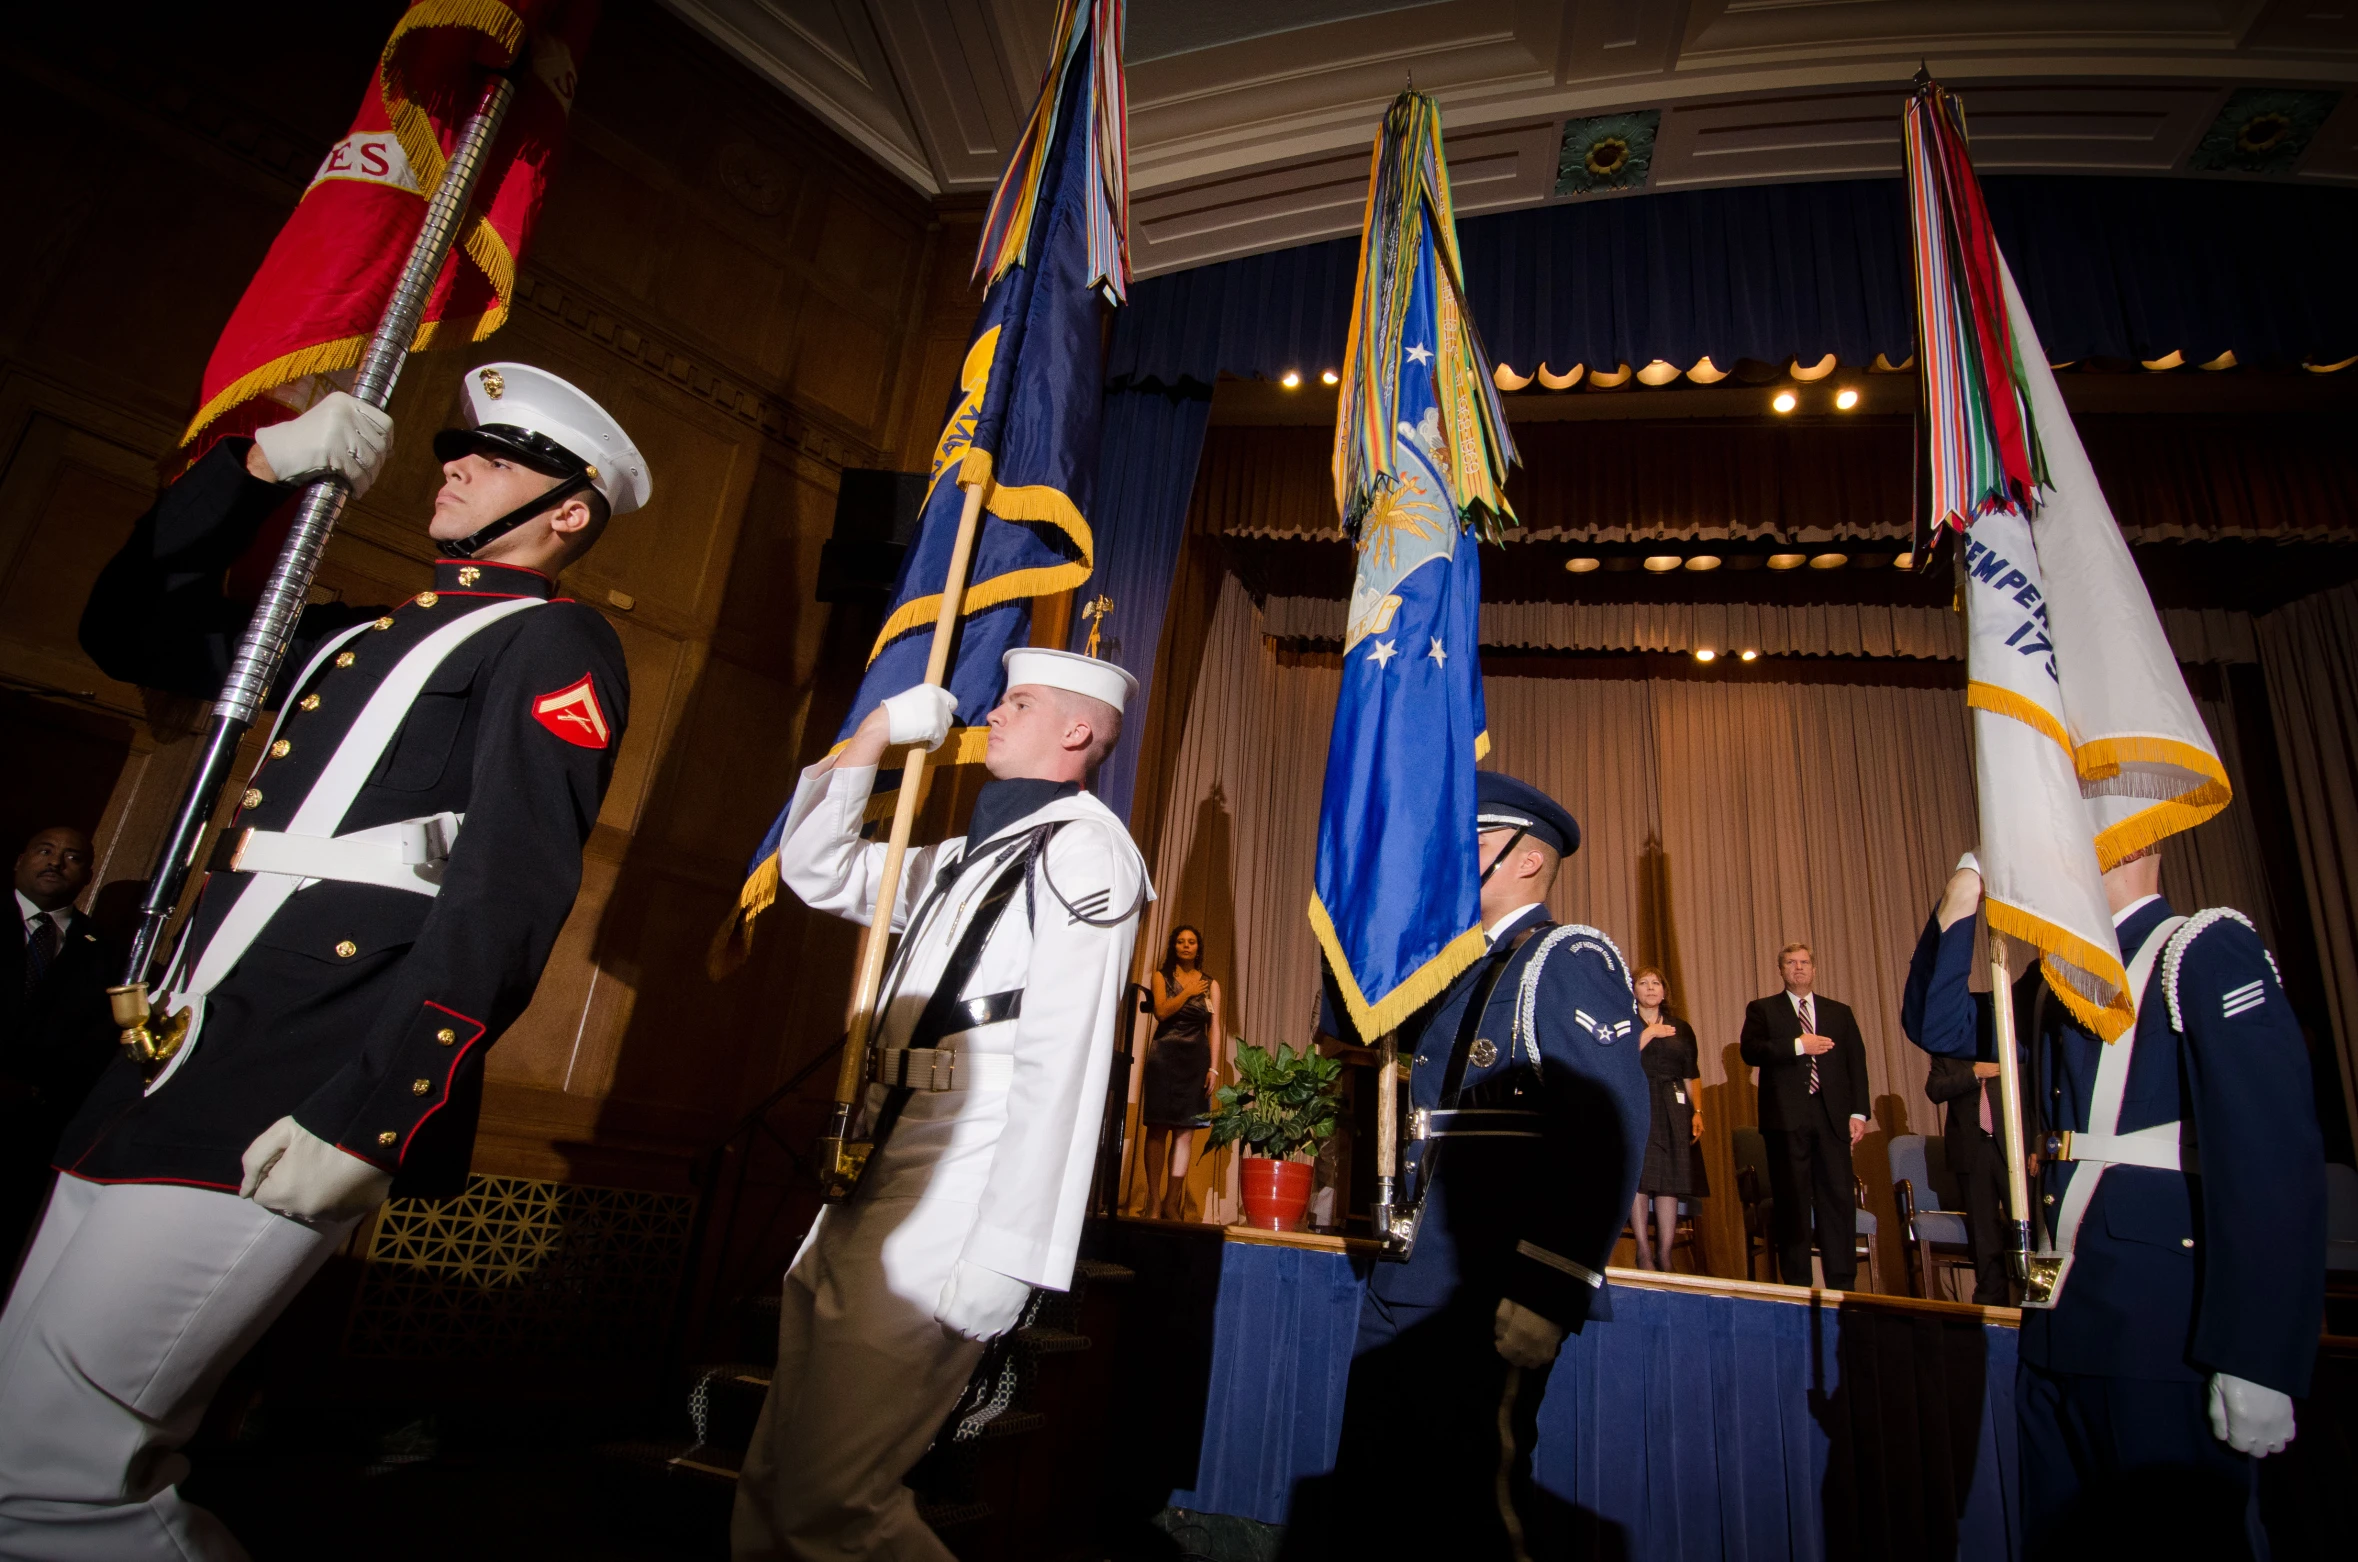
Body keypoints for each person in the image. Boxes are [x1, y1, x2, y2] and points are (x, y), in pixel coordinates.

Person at [0, 364, 649, 1560]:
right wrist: (253, 473)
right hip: (172, 1044)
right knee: (19, 1438)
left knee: (62, 1468)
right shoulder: (352, 631)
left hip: (302, 1065)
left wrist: (377, 1105)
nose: (450, 463)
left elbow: (506, 891)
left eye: (493, 456)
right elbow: (129, 629)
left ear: (570, 509)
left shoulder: (558, 641)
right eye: (455, 445)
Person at [732, 647, 1150, 1562]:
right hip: (877, 1161)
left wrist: (1011, 1251)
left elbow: (1065, 1062)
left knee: (832, 1503)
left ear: (1077, 731)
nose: (990, 715)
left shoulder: (1087, 850)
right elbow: (816, 869)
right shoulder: (975, 849)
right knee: (774, 1487)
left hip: (961, 1180)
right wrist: (875, 737)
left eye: (1019, 702)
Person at [1902, 851, 2323, 1558]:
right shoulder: (2052, 982)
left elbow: (2269, 1153)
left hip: (2163, 1325)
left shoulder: (2202, 949)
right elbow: (1940, 1025)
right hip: (2063, 1317)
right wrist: (1961, 897)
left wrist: (2258, 1353)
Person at [1317, 772, 1649, 1556]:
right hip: (1406, 1276)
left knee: (1474, 1509)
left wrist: (1548, 1286)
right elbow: (1348, 1021)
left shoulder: (1562, 957)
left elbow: (1605, 1131)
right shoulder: (1456, 962)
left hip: (1491, 1288)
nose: (1446, 858)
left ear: (1528, 861)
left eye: (1469, 843)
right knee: (1379, 1496)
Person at [3, 828, 118, 1271]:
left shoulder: (106, 949)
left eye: (71, 857)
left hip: (38, 1134)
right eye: (45, 851)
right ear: (20, 860)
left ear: (88, 875)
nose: (55, 862)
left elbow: (101, 1039)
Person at [1739, 943, 1870, 1289]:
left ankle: (1842, 1281)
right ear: (1780, 970)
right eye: (1791, 963)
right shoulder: (1763, 1010)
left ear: (1814, 969)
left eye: (1804, 962)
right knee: (1792, 1199)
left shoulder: (1839, 1012)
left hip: (1832, 1117)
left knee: (1838, 1198)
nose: (1798, 968)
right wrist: (1799, 1045)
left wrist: (1859, 1112)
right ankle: (1797, 1281)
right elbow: (1750, 1051)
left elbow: (1856, 1063)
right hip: (1786, 1118)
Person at [1917, 1002, 2010, 1306]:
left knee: (2025, 1221)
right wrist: (1974, 1074)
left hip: (2011, 1149)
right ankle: (1990, 1299)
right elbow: (1935, 1090)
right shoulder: (1947, 1051)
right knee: (1984, 1229)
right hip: (1973, 1150)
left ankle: (2033, 1291)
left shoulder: (2008, 1043)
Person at [1139, 924, 1221, 1220]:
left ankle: (1172, 1201)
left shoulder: (1211, 984)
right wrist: (1187, 992)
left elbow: (1215, 1028)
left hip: (1195, 1061)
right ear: (1174, 946)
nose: (1186, 946)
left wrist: (1213, 1066)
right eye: (1181, 942)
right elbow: (1161, 1011)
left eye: (1192, 942)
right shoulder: (1160, 977)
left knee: (1185, 1132)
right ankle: (1153, 1201)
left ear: (1199, 948)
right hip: (1164, 1057)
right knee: (1158, 1128)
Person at [1630, 966, 1706, 1272]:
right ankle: (1643, 1251)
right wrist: (1648, 1033)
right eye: (1643, 983)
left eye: (1656, 983)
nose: (1650, 988)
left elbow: (1691, 1073)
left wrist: (1697, 1111)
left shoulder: (1681, 1027)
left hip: (1673, 1105)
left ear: (1664, 991)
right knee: (1640, 1177)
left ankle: (1665, 1253)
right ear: (1633, 990)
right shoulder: (1625, 1024)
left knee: (1669, 1181)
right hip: (1637, 1100)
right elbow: (1617, 1059)